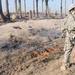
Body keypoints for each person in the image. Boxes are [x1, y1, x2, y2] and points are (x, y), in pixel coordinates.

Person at [61, 3, 75, 71]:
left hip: (68, 37)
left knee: (67, 51)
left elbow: (62, 28)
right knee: (68, 51)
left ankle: (65, 64)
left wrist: (64, 35)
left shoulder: (66, 18)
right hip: (72, 36)